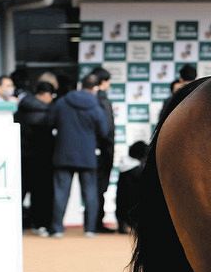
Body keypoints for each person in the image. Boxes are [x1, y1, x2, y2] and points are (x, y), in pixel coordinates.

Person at [49, 72, 110, 237]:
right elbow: (104, 131)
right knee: (90, 193)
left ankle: (57, 229)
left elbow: (50, 122)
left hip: (63, 153)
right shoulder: (96, 106)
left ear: (79, 85)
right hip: (87, 155)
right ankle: (90, 229)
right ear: (95, 88)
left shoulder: (62, 102)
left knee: (60, 193)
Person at [14, 80, 57, 234]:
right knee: (41, 194)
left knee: (19, 191)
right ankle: (39, 224)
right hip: (42, 158)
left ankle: (15, 224)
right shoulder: (49, 113)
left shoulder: (20, 109)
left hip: (21, 156)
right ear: (45, 95)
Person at [90, 67, 117, 233]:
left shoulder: (92, 99)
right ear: (103, 82)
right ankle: (96, 223)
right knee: (99, 188)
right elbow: (106, 129)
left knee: (96, 188)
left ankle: (94, 222)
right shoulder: (102, 100)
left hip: (96, 149)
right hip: (104, 150)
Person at [114, 140, 148, 235]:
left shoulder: (124, 166)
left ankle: (122, 225)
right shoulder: (137, 170)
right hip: (134, 206)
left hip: (122, 207)